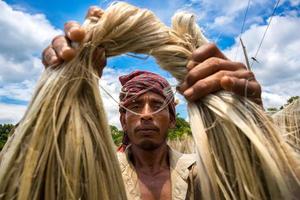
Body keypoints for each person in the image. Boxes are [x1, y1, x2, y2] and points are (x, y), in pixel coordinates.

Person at [42, 7, 263, 200]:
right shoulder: (95, 173)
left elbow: (262, 185)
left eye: (157, 104)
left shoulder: (201, 172)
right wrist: (60, 84)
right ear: (123, 121)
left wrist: (251, 119)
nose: (146, 114)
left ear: (173, 119)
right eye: (135, 106)